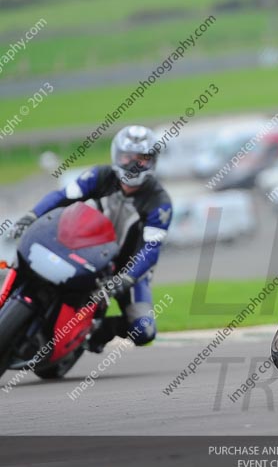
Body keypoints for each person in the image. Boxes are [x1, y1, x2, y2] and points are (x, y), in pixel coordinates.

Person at [11, 125, 172, 352]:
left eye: (141, 159)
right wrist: (32, 215)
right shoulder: (101, 176)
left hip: (128, 269)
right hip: (85, 250)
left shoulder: (159, 202)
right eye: (127, 157)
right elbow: (62, 196)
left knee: (144, 330)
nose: (133, 165)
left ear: (153, 161)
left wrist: (127, 277)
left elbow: (151, 249)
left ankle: (95, 331)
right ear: (117, 156)